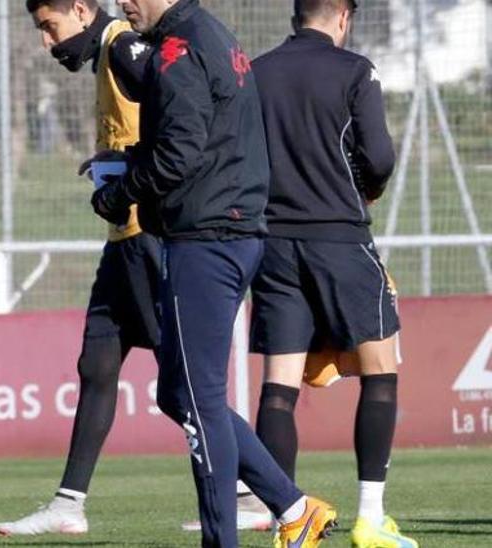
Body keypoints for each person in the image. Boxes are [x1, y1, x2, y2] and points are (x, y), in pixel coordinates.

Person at [96, 0, 336, 546]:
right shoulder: (212, 36)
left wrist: (120, 193)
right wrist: (130, 160)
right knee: (178, 393)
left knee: (198, 399)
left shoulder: (179, 49)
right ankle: (294, 508)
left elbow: (180, 153)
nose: (122, 5)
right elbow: (202, 134)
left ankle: (221, 540)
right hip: (230, 230)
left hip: (206, 237)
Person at [249, 1, 415, 546]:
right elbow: (382, 157)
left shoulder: (257, 71)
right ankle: (370, 519)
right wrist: (367, 187)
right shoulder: (355, 70)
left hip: (272, 246)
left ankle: (288, 523)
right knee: (380, 371)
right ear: (342, 15)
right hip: (340, 238)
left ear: (298, 15)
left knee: (277, 390)